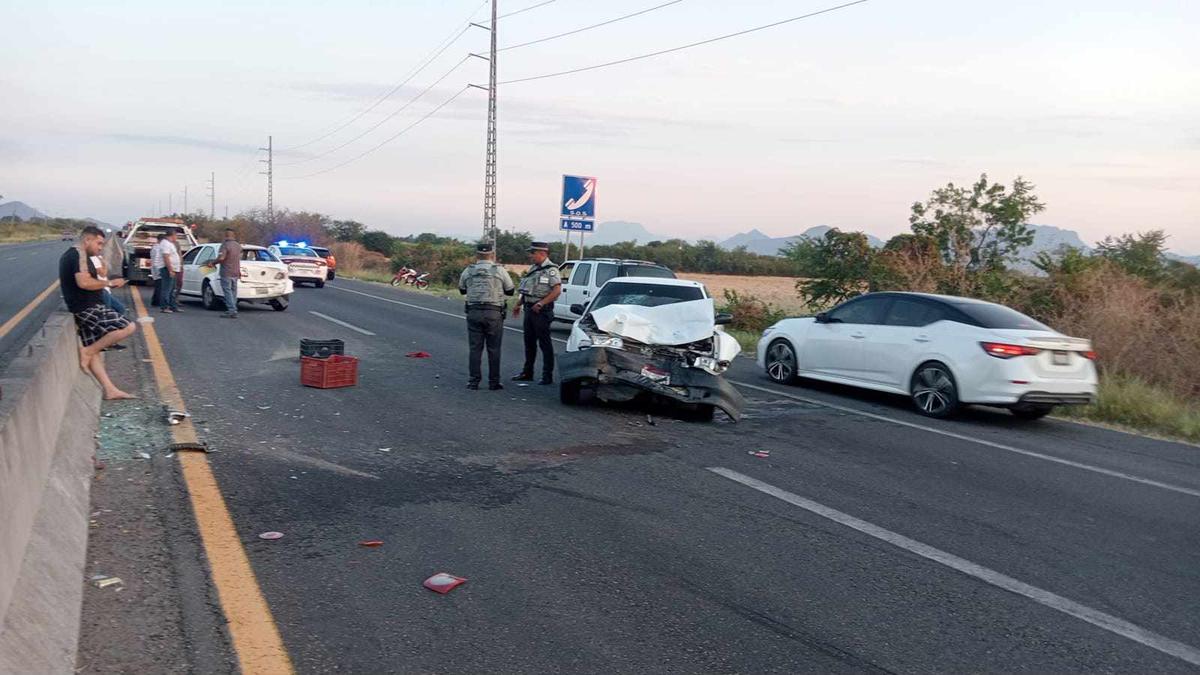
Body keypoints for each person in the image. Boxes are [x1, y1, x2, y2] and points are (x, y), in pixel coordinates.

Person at [59, 226, 137, 400]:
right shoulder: (76, 255)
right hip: (86, 307)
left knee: (94, 350)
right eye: (99, 243)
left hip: (86, 305)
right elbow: (84, 283)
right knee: (128, 327)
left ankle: (109, 389)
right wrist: (108, 284)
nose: (101, 247)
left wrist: (98, 260)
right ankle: (86, 352)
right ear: (87, 240)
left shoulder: (85, 256)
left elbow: (100, 272)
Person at [458, 242, 515, 390]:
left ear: (477, 254)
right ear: (492, 254)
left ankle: (473, 381)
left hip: (474, 311)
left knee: (475, 348)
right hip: (494, 312)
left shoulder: (469, 270)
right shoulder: (499, 271)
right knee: (494, 348)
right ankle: (494, 382)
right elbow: (510, 290)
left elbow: (462, 290)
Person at [511, 241, 562, 385]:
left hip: (541, 311)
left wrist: (541, 303)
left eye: (533, 253)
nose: (531, 256)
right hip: (529, 308)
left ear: (542, 253)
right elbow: (527, 289)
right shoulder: (534, 268)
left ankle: (547, 375)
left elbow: (557, 290)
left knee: (545, 344)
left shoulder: (551, 270)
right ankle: (527, 372)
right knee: (529, 343)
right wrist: (518, 304)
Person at [213, 227, 242, 318]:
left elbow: (221, 258)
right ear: (234, 235)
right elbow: (238, 259)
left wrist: (212, 263)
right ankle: (234, 309)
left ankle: (231, 310)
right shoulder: (238, 246)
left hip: (226, 271)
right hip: (235, 272)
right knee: (233, 291)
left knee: (227, 291)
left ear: (225, 235)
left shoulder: (225, 245)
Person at [156, 231, 183, 313]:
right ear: (172, 235)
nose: (176, 237)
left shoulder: (170, 243)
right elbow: (166, 257)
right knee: (167, 288)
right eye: (176, 235)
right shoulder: (166, 244)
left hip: (173, 268)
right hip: (167, 268)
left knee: (172, 289)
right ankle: (164, 307)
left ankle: (173, 306)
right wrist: (170, 269)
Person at [150, 232, 165, 307]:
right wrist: (159, 271)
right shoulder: (157, 248)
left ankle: (155, 301)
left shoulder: (155, 247)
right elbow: (156, 260)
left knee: (158, 286)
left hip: (155, 269)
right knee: (160, 286)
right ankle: (157, 302)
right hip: (158, 269)